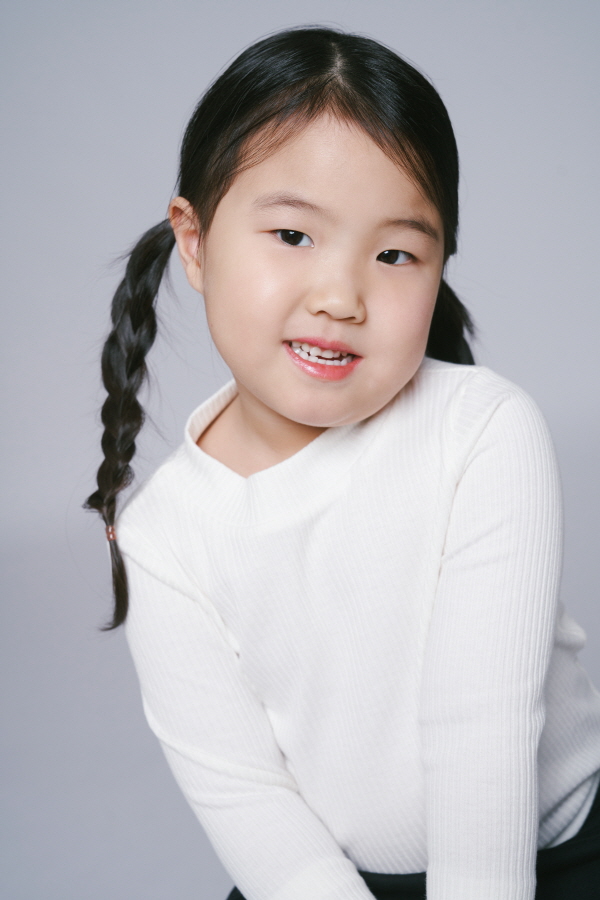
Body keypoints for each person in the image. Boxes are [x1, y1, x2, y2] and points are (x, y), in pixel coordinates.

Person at [85, 25, 600, 900]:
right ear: (195, 241)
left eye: (396, 254)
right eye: (293, 235)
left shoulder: (484, 430)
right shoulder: (165, 534)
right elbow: (248, 798)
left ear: (439, 265)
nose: (340, 297)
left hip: (544, 857)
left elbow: (481, 739)